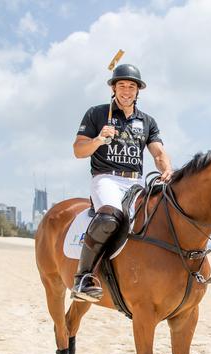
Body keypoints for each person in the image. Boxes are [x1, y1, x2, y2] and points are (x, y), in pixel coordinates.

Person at [71, 63, 173, 302]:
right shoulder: (96, 114)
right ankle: (84, 277)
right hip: (106, 178)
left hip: (135, 182)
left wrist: (167, 168)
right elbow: (78, 150)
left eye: (131, 87)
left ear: (138, 91)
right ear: (113, 89)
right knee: (109, 216)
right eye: (122, 86)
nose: (126, 91)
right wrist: (98, 139)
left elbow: (158, 153)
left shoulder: (147, 121)